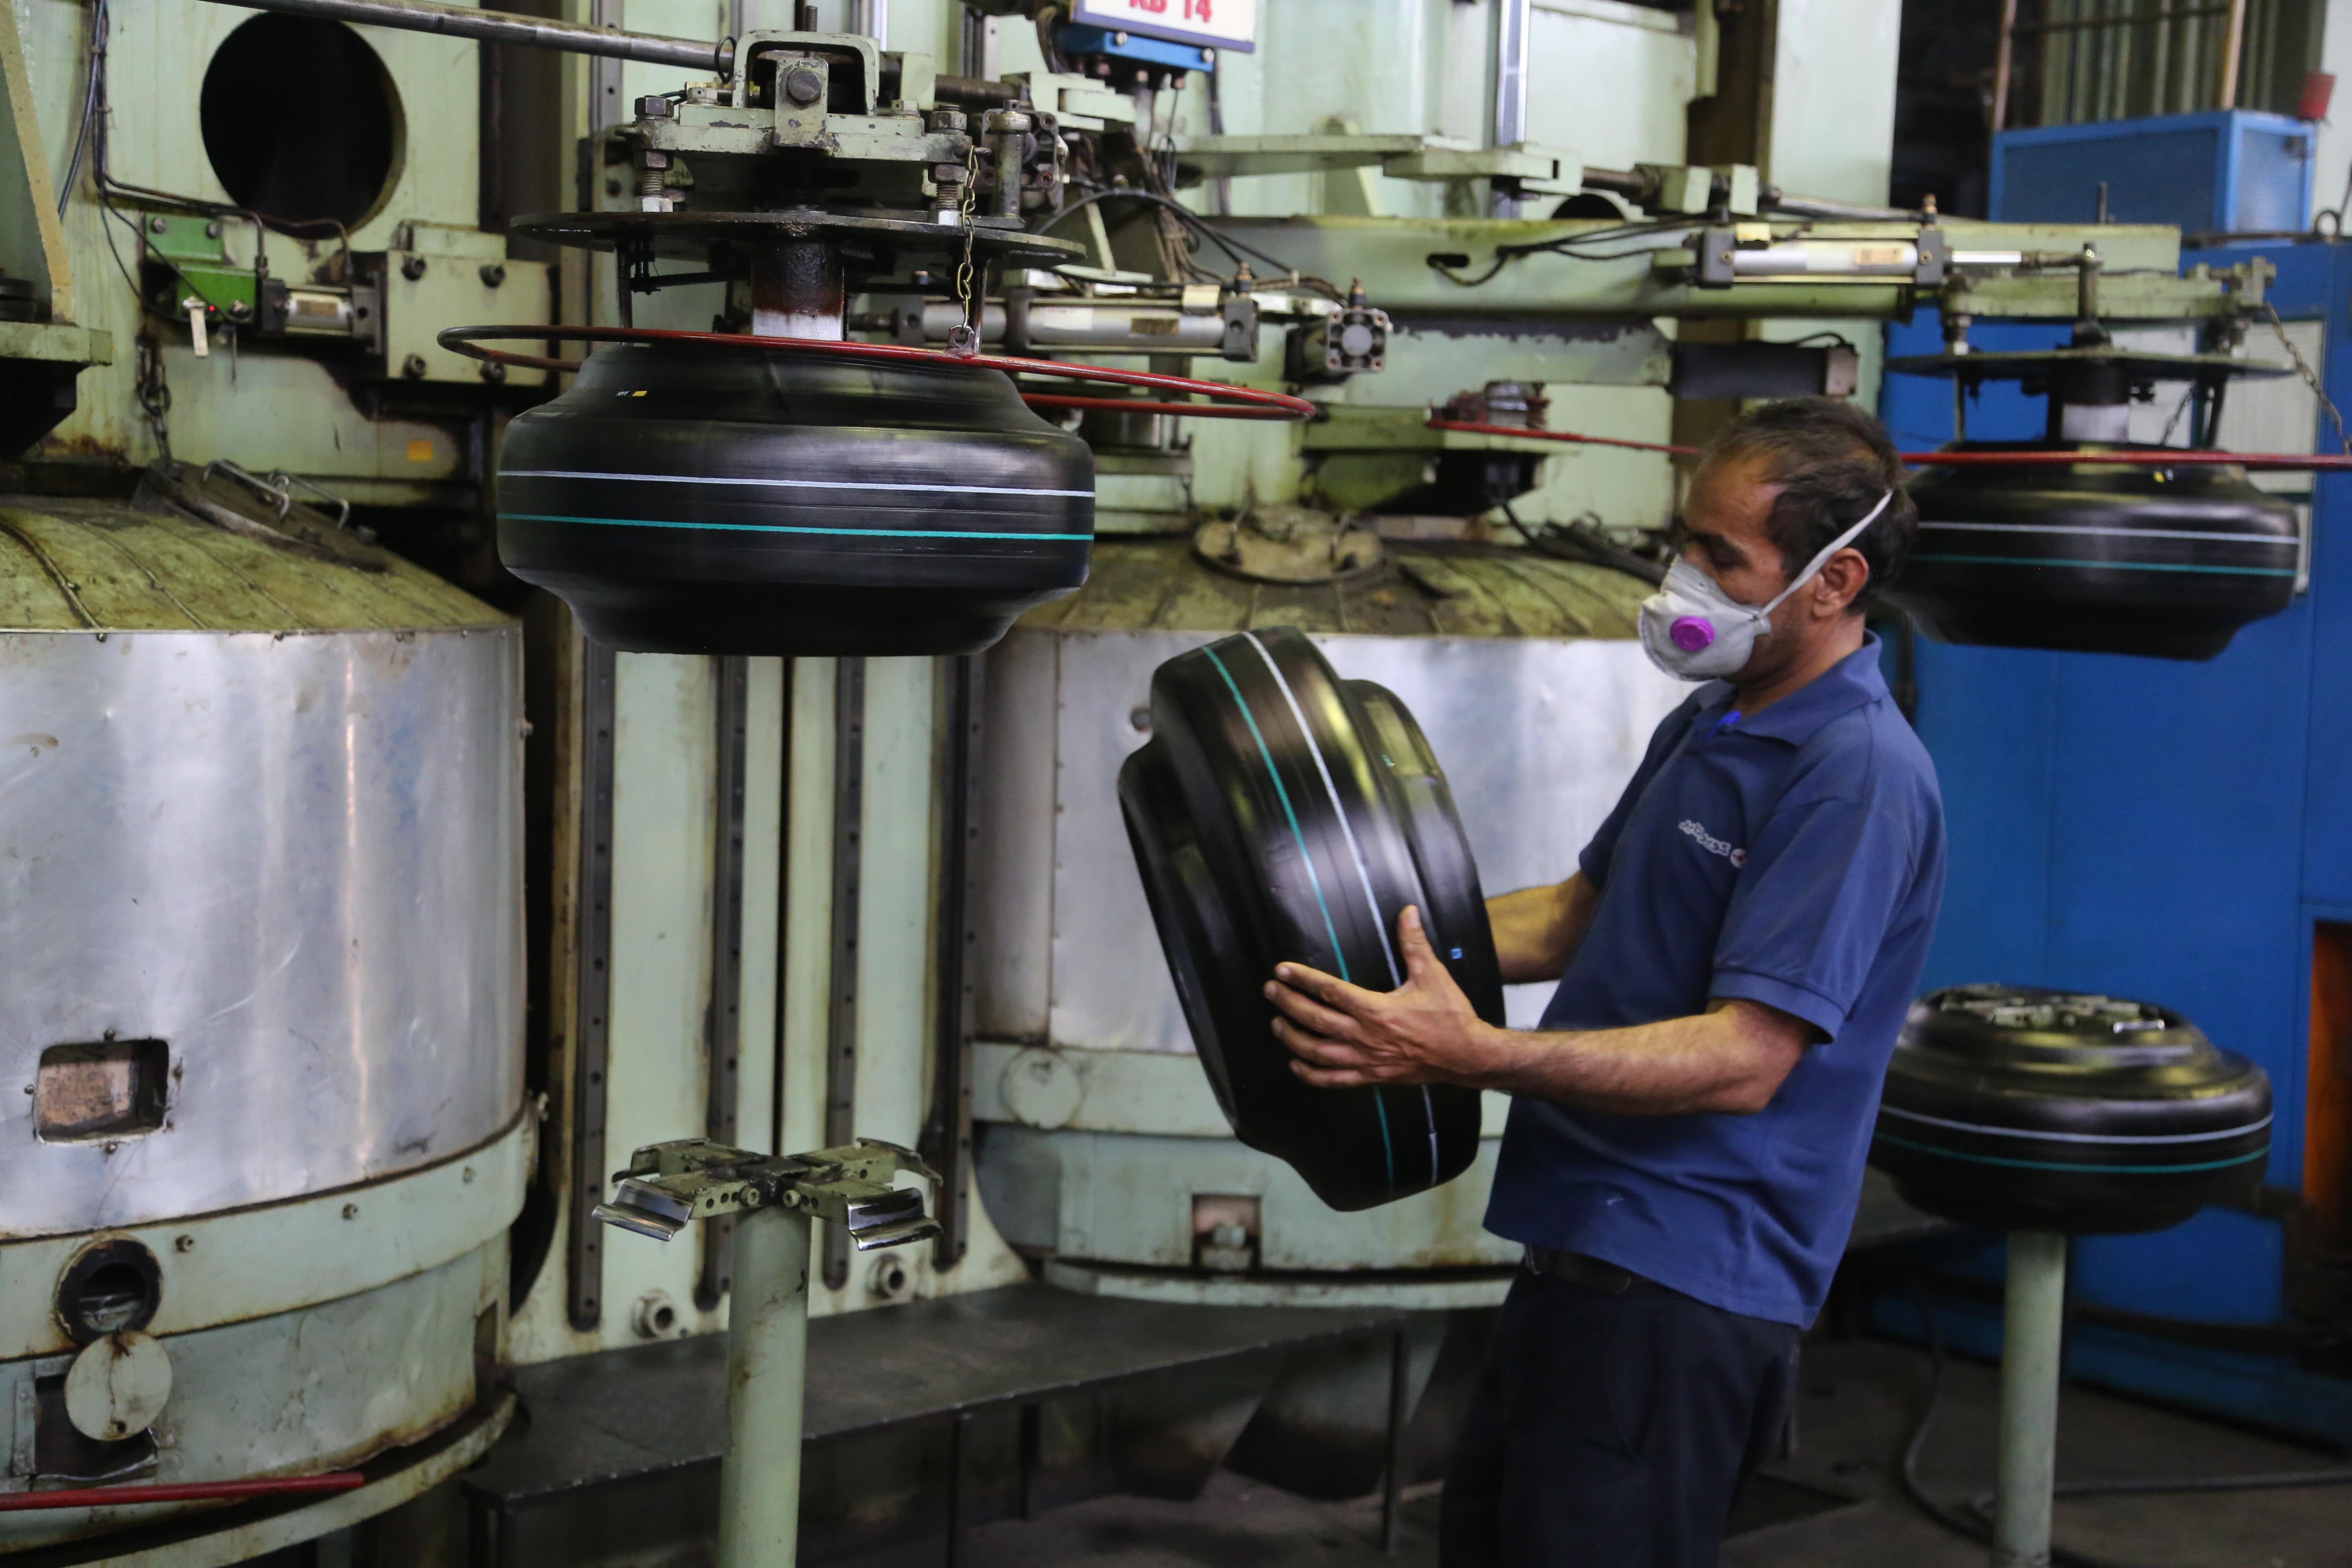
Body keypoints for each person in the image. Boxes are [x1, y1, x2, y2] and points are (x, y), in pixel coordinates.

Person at [1262, 398, 1947, 1567]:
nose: (1685, 577)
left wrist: (1470, 1054)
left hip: (1686, 1285)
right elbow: (1577, 916)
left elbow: (1746, 1058)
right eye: (1686, 541)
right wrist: (1352, 944)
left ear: (1833, 582)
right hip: (1581, 1248)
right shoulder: (1716, 719)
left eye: (1722, 556)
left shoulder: (1856, 776)